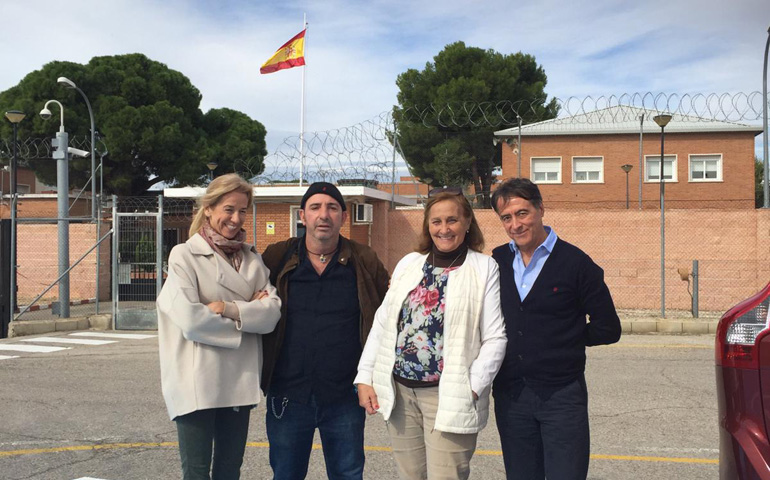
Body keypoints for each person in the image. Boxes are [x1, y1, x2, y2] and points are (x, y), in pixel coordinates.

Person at [355, 187, 507, 480]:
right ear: (428, 225)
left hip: (449, 396)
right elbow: (384, 323)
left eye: (452, 220)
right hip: (401, 395)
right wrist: (364, 377)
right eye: (436, 221)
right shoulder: (409, 263)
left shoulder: (484, 267)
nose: (444, 229)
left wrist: (473, 386)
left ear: (467, 222)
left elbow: (495, 337)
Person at [490, 177, 622, 480]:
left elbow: (608, 328)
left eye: (522, 213)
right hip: (511, 396)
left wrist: (564, 340)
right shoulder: (497, 260)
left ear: (540, 209)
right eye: (506, 218)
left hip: (562, 397)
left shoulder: (577, 264)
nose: (515, 225)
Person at [260, 182, 390, 480]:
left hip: (345, 395)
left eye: (332, 208)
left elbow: (389, 312)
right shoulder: (278, 256)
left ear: (343, 216)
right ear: (302, 216)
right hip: (288, 394)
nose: (323, 215)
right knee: (286, 474)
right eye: (315, 207)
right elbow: (246, 287)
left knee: (347, 474)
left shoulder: (363, 259)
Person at [157, 173, 282, 480]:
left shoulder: (252, 259)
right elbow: (191, 320)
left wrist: (227, 308)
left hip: (239, 381)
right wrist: (248, 315)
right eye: (228, 209)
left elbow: (272, 315)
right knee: (197, 472)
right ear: (209, 208)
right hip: (196, 380)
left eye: (242, 210)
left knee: (229, 470)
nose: (236, 218)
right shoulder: (184, 255)